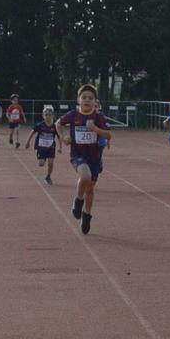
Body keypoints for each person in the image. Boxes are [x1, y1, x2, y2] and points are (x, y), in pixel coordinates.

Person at [58, 86, 111, 234]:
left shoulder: (98, 117)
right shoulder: (73, 114)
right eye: (84, 97)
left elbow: (108, 135)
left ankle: (87, 214)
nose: (87, 100)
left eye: (90, 98)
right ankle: (78, 200)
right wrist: (63, 137)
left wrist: (95, 129)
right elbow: (58, 123)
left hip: (94, 157)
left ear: (95, 102)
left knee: (90, 188)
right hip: (77, 155)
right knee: (85, 176)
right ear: (78, 100)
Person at [29, 103, 60, 182]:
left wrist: (60, 147)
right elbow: (32, 132)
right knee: (41, 164)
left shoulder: (55, 126)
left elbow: (59, 136)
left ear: (52, 115)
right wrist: (28, 142)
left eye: (49, 115)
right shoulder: (40, 125)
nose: (48, 116)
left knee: (51, 163)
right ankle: (43, 157)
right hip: (41, 146)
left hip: (51, 147)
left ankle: (48, 176)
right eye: (46, 115)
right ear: (43, 116)